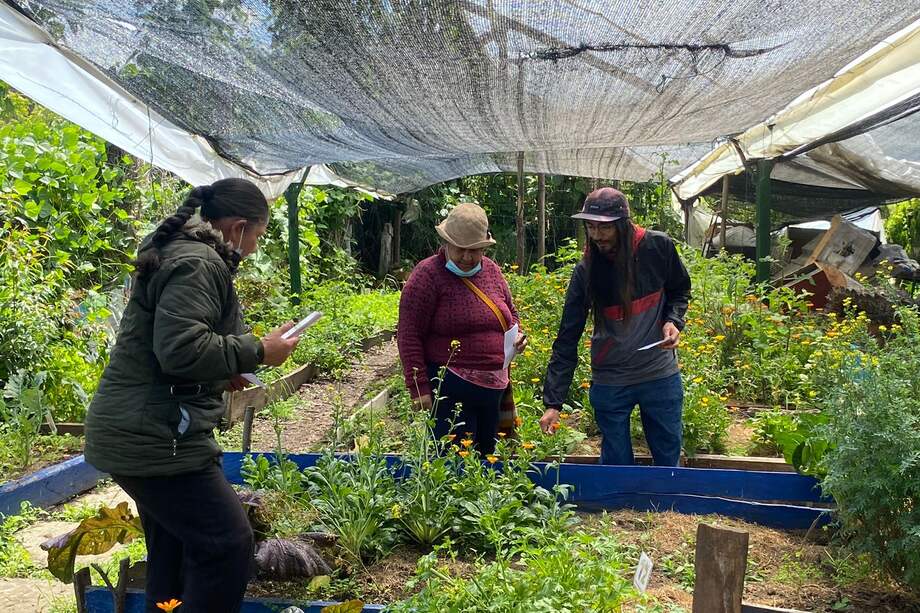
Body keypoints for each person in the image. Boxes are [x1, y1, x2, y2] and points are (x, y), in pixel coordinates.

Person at [84, 178, 302, 613]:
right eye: (257, 236)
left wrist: (223, 372)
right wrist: (259, 351)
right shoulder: (198, 261)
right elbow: (180, 349)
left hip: (142, 426)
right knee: (229, 544)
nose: (255, 247)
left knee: (175, 546)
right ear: (238, 227)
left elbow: (162, 353)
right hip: (157, 438)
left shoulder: (182, 252)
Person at [541, 188, 691, 466]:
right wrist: (553, 402)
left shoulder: (658, 248)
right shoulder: (586, 270)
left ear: (623, 225)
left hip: (658, 373)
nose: (597, 236)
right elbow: (567, 337)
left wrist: (673, 320)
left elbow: (679, 290)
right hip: (611, 378)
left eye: (604, 228)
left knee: (668, 451)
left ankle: (669, 502)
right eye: (590, 227)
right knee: (615, 462)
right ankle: (618, 506)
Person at [397, 203, 527, 454]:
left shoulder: (492, 271)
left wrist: (518, 335)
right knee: (453, 461)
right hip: (450, 391)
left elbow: (510, 314)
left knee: (488, 460)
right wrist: (419, 388)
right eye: (461, 249)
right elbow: (409, 334)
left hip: (494, 390)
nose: (467, 257)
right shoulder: (427, 275)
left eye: (475, 250)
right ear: (446, 242)